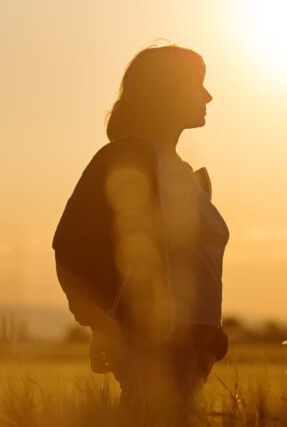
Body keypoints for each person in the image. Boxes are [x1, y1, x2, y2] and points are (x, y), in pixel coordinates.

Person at [53, 45, 229, 406]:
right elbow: (71, 243)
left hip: (195, 343)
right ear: (166, 90)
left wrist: (210, 338)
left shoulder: (182, 171)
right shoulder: (129, 157)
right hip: (155, 343)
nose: (208, 96)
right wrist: (105, 323)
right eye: (197, 84)